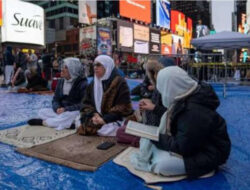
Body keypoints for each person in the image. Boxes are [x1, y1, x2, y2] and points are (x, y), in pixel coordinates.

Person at [131, 66, 231, 178]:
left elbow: (182, 147)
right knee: (151, 146)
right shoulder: (186, 97)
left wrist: (155, 137)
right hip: (195, 146)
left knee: (160, 165)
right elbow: (180, 127)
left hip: (209, 154)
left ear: (170, 87)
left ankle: (206, 169)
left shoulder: (194, 111)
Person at [116, 57, 175, 146]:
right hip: (152, 123)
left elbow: (174, 116)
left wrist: (153, 107)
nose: (155, 75)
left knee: (120, 132)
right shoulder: (158, 84)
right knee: (127, 123)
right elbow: (143, 89)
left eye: (157, 72)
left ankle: (147, 142)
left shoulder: (172, 88)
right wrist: (147, 102)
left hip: (162, 130)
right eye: (154, 72)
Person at [77, 55, 133, 136]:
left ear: (107, 66)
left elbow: (124, 107)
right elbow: (85, 103)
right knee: (79, 120)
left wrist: (105, 119)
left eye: (99, 65)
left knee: (111, 129)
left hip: (114, 118)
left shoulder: (120, 82)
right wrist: (93, 114)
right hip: (97, 117)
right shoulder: (93, 83)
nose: (95, 68)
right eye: (94, 65)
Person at [28, 58, 88, 130]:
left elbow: (83, 104)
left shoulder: (82, 83)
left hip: (72, 112)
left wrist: (66, 109)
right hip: (61, 112)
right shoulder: (61, 81)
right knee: (42, 112)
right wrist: (57, 108)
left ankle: (44, 122)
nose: (62, 69)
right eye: (63, 67)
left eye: (66, 67)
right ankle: (68, 124)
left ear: (73, 69)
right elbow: (55, 99)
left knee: (70, 116)